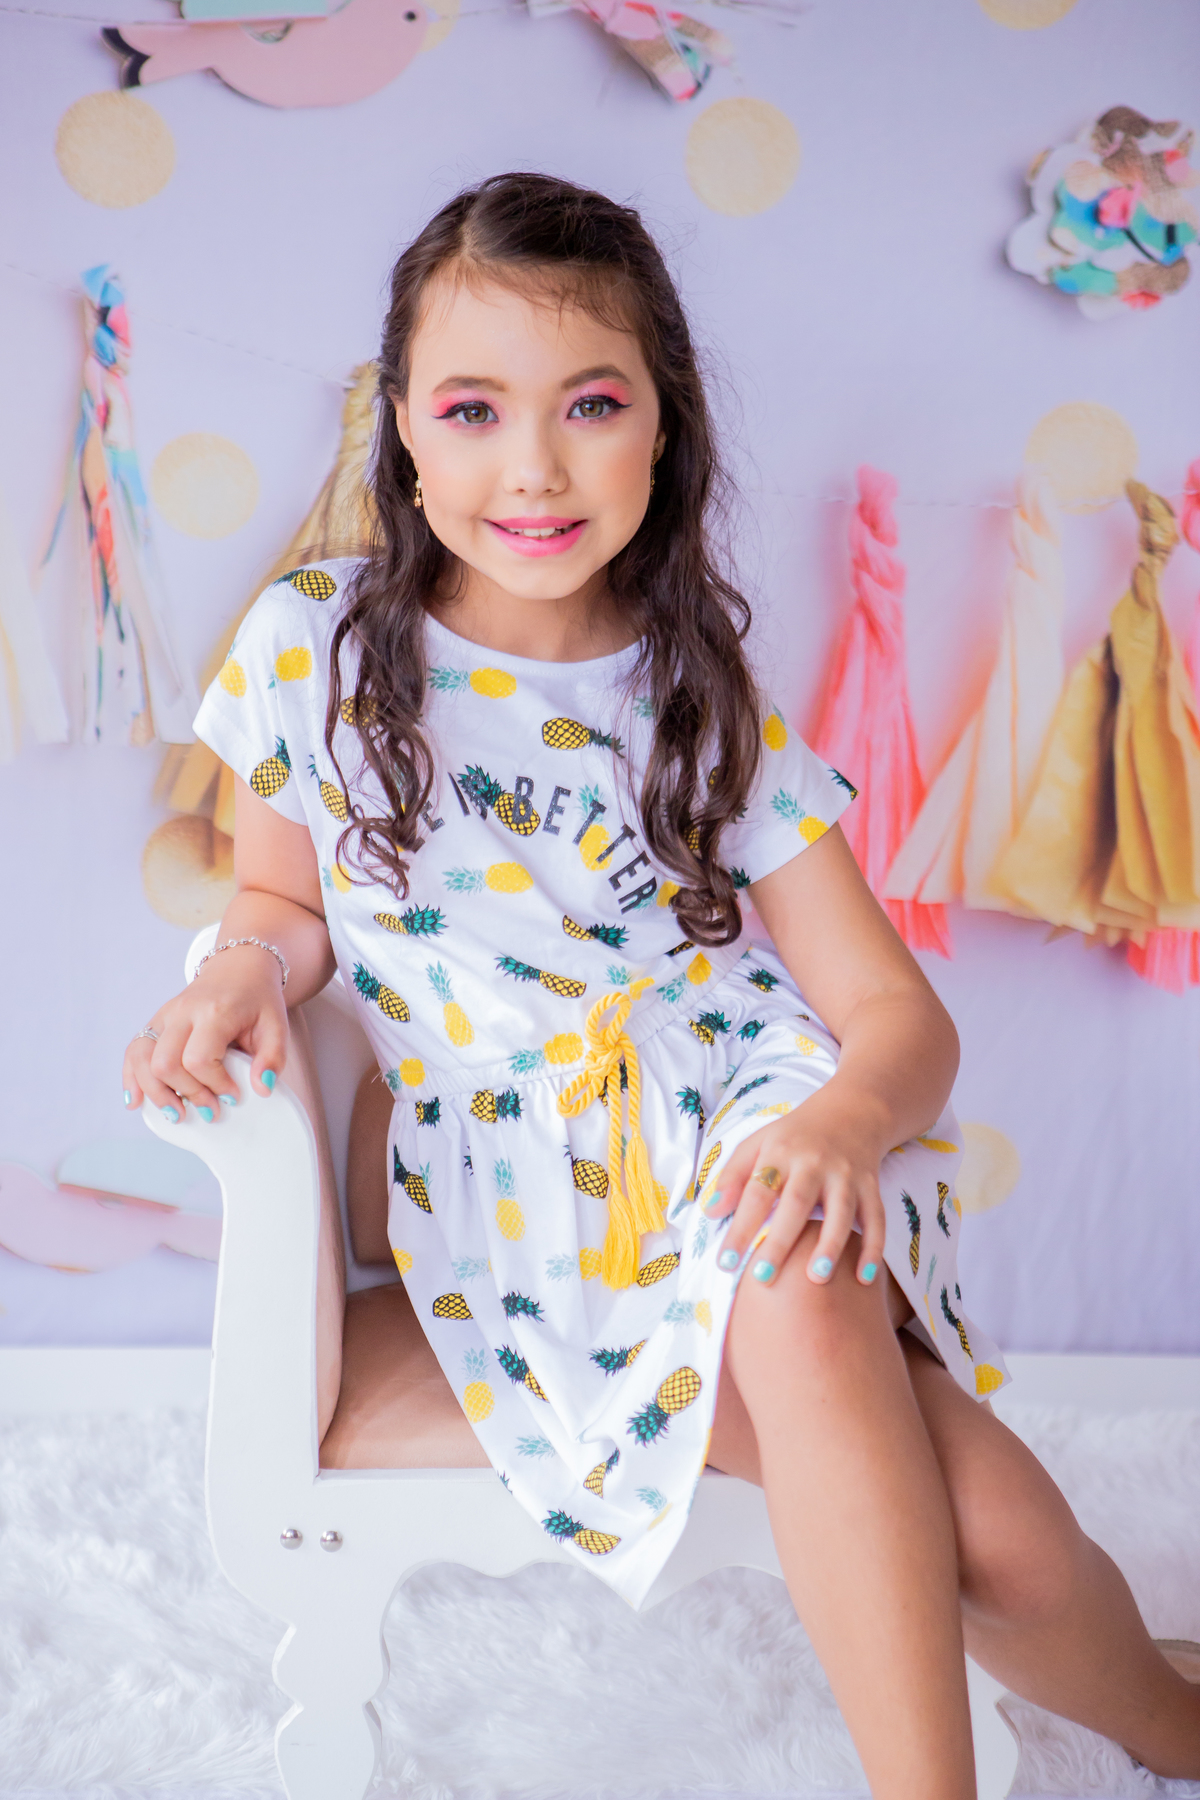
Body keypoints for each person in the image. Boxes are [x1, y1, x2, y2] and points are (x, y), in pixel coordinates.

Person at [122, 172, 1200, 1796]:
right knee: (1007, 1539)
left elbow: (899, 1019)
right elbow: (283, 899)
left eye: (592, 405)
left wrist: (839, 1124)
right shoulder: (315, 651)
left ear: (663, 426)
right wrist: (240, 974)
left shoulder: (700, 698)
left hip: (742, 1129)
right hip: (533, 1209)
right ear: (402, 429)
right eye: (473, 410)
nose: (534, 468)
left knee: (796, 1275)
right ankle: (1170, 1715)